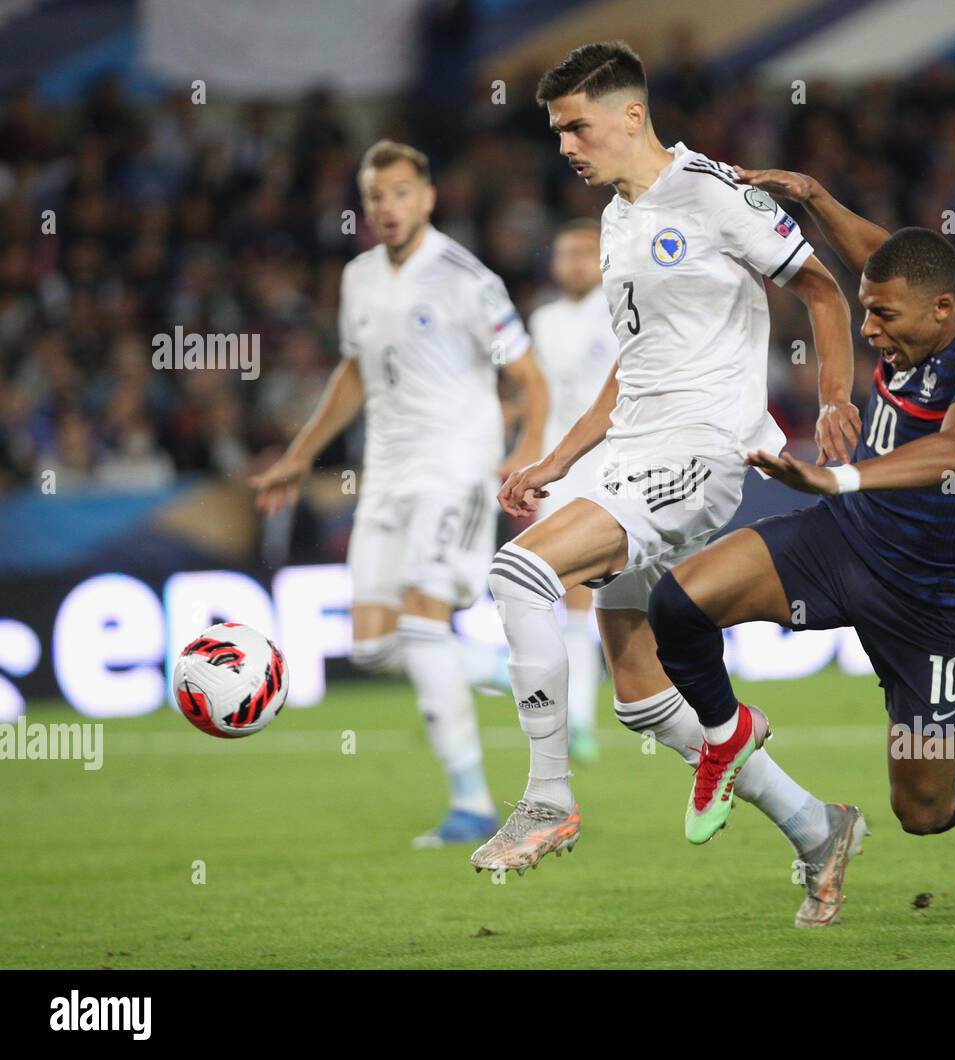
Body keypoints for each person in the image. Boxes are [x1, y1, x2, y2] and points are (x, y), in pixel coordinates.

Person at [476, 41, 869, 928]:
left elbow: (822, 289)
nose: (566, 147)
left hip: (699, 451)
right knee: (645, 698)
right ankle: (819, 829)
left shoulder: (713, 193)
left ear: (629, 116)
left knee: (519, 574)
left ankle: (545, 798)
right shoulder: (619, 216)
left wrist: (834, 399)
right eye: (556, 132)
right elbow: (635, 361)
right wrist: (560, 460)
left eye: (576, 127)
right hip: (630, 450)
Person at [647, 168, 955, 855]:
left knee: (925, 809)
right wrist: (814, 198)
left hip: (932, 595)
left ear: (940, 311)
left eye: (883, 317)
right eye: (867, 310)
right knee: (678, 605)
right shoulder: (929, 290)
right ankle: (728, 738)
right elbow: (883, 259)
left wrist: (841, 477)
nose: (868, 329)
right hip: (842, 542)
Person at [250, 140, 549, 849]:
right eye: (376, 196)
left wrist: (527, 451)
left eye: (400, 192)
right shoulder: (357, 278)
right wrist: (299, 456)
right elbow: (354, 374)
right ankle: (513, 671)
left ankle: (472, 804)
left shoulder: (464, 277)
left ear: (428, 197)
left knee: (421, 626)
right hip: (384, 475)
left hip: (456, 466)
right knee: (374, 647)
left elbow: (530, 377)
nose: (387, 206)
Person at [527, 218, 620, 764]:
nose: (577, 262)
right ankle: (579, 720)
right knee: (573, 597)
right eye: (567, 252)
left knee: (623, 597)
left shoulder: (621, 309)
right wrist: (529, 460)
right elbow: (538, 398)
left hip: (619, 465)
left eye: (587, 251)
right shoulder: (542, 321)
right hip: (563, 472)